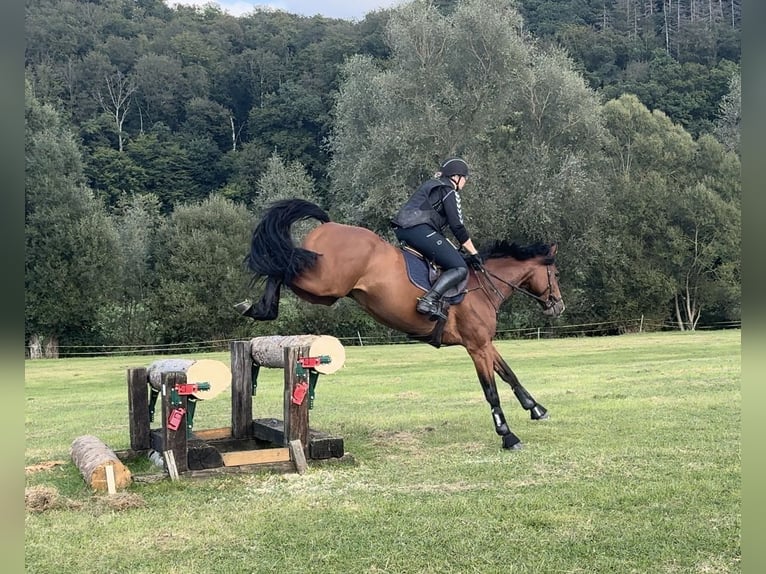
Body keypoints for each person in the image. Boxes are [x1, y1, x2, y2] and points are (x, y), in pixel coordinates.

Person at [391, 157, 483, 320]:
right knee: (459, 267)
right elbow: (457, 226)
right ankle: (428, 300)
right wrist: (474, 253)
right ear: (456, 177)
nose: (465, 182)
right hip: (418, 228)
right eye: (465, 178)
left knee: (452, 256)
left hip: (405, 228)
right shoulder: (449, 191)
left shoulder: (432, 185)